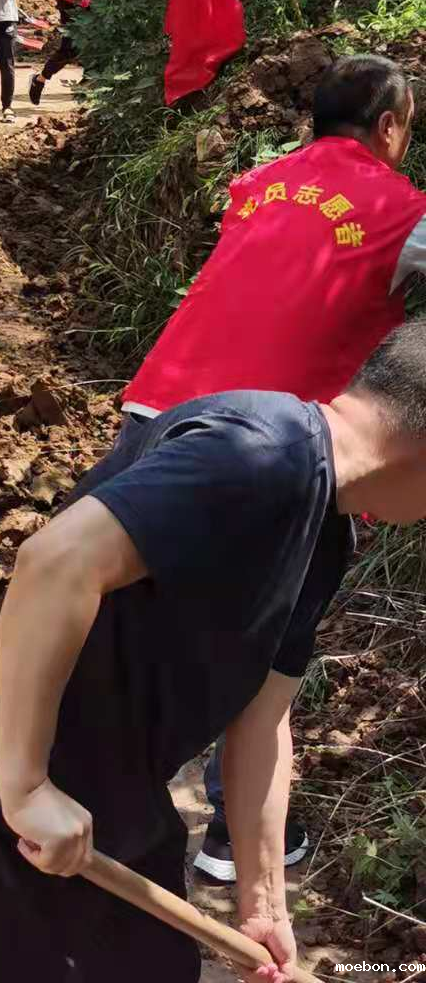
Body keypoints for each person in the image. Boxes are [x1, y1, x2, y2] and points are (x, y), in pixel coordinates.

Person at [0, 315, 426, 983]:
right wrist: (25, 784)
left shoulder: (326, 534)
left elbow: (263, 719)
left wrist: (263, 899)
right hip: (13, 789)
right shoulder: (260, 452)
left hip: (119, 794)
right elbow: (55, 563)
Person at [111, 53, 426, 880]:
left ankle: (91, 796)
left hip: (156, 414)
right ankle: (234, 838)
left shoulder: (256, 184)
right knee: (264, 649)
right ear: (388, 126)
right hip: (273, 449)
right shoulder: (405, 212)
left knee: (130, 620)